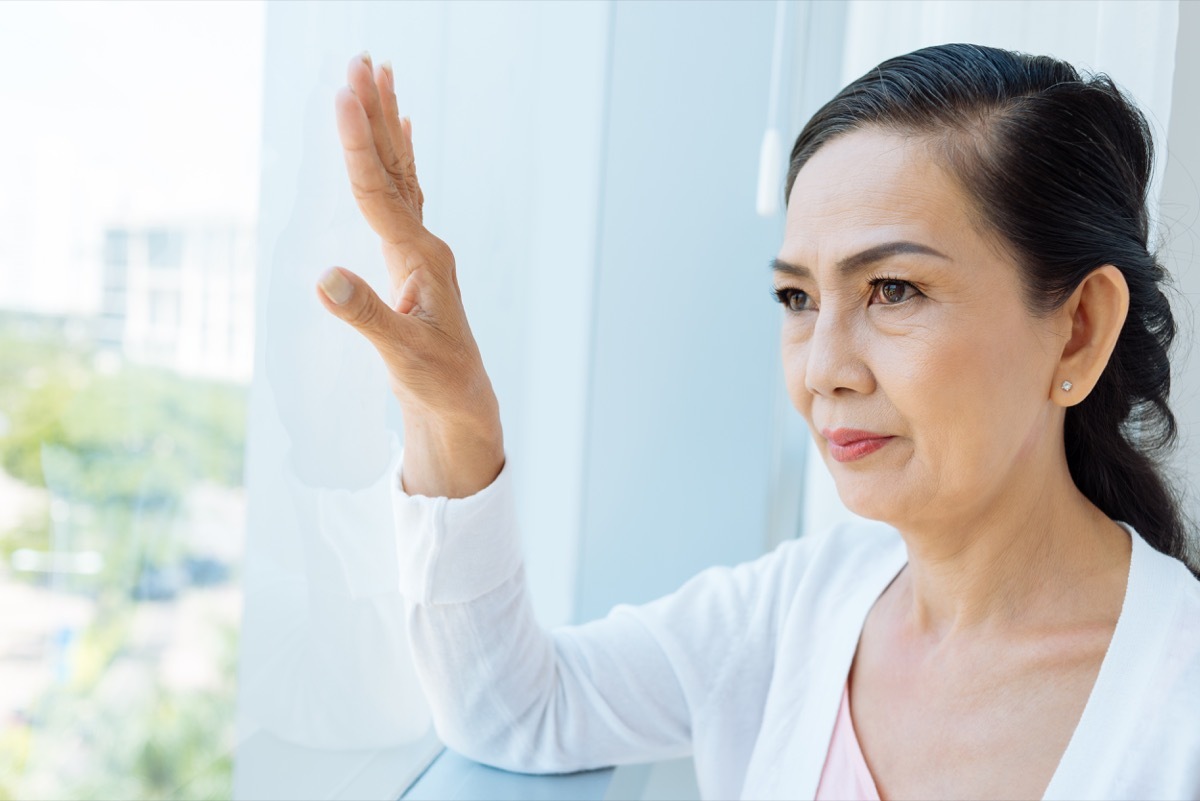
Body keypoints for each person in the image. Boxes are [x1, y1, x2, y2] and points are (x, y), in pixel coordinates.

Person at [315, 43, 1200, 800]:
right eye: (797, 297)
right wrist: (454, 418)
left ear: (1078, 328)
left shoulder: (1177, 710)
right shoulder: (802, 608)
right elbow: (513, 707)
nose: (822, 369)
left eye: (894, 289)